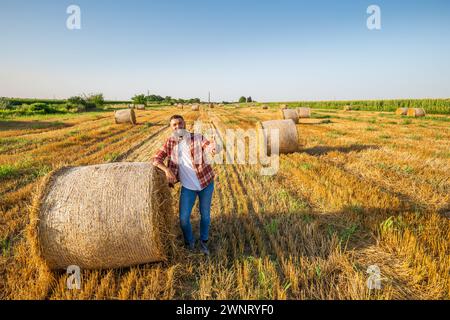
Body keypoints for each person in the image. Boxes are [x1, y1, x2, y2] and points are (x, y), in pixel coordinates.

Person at [152, 115, 219, 255]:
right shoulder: (170, 142)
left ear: (185, 124)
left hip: (206, 184)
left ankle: (203, 242)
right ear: (171, 127)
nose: (178, 126)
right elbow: (156, 159)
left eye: (180, 123)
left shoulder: (197, 137)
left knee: (205, 215)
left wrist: (214, 147)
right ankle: (190, 242)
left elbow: (209, 146)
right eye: (174, 125)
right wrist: (166, 170)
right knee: (183, 219)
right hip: (188, 187)